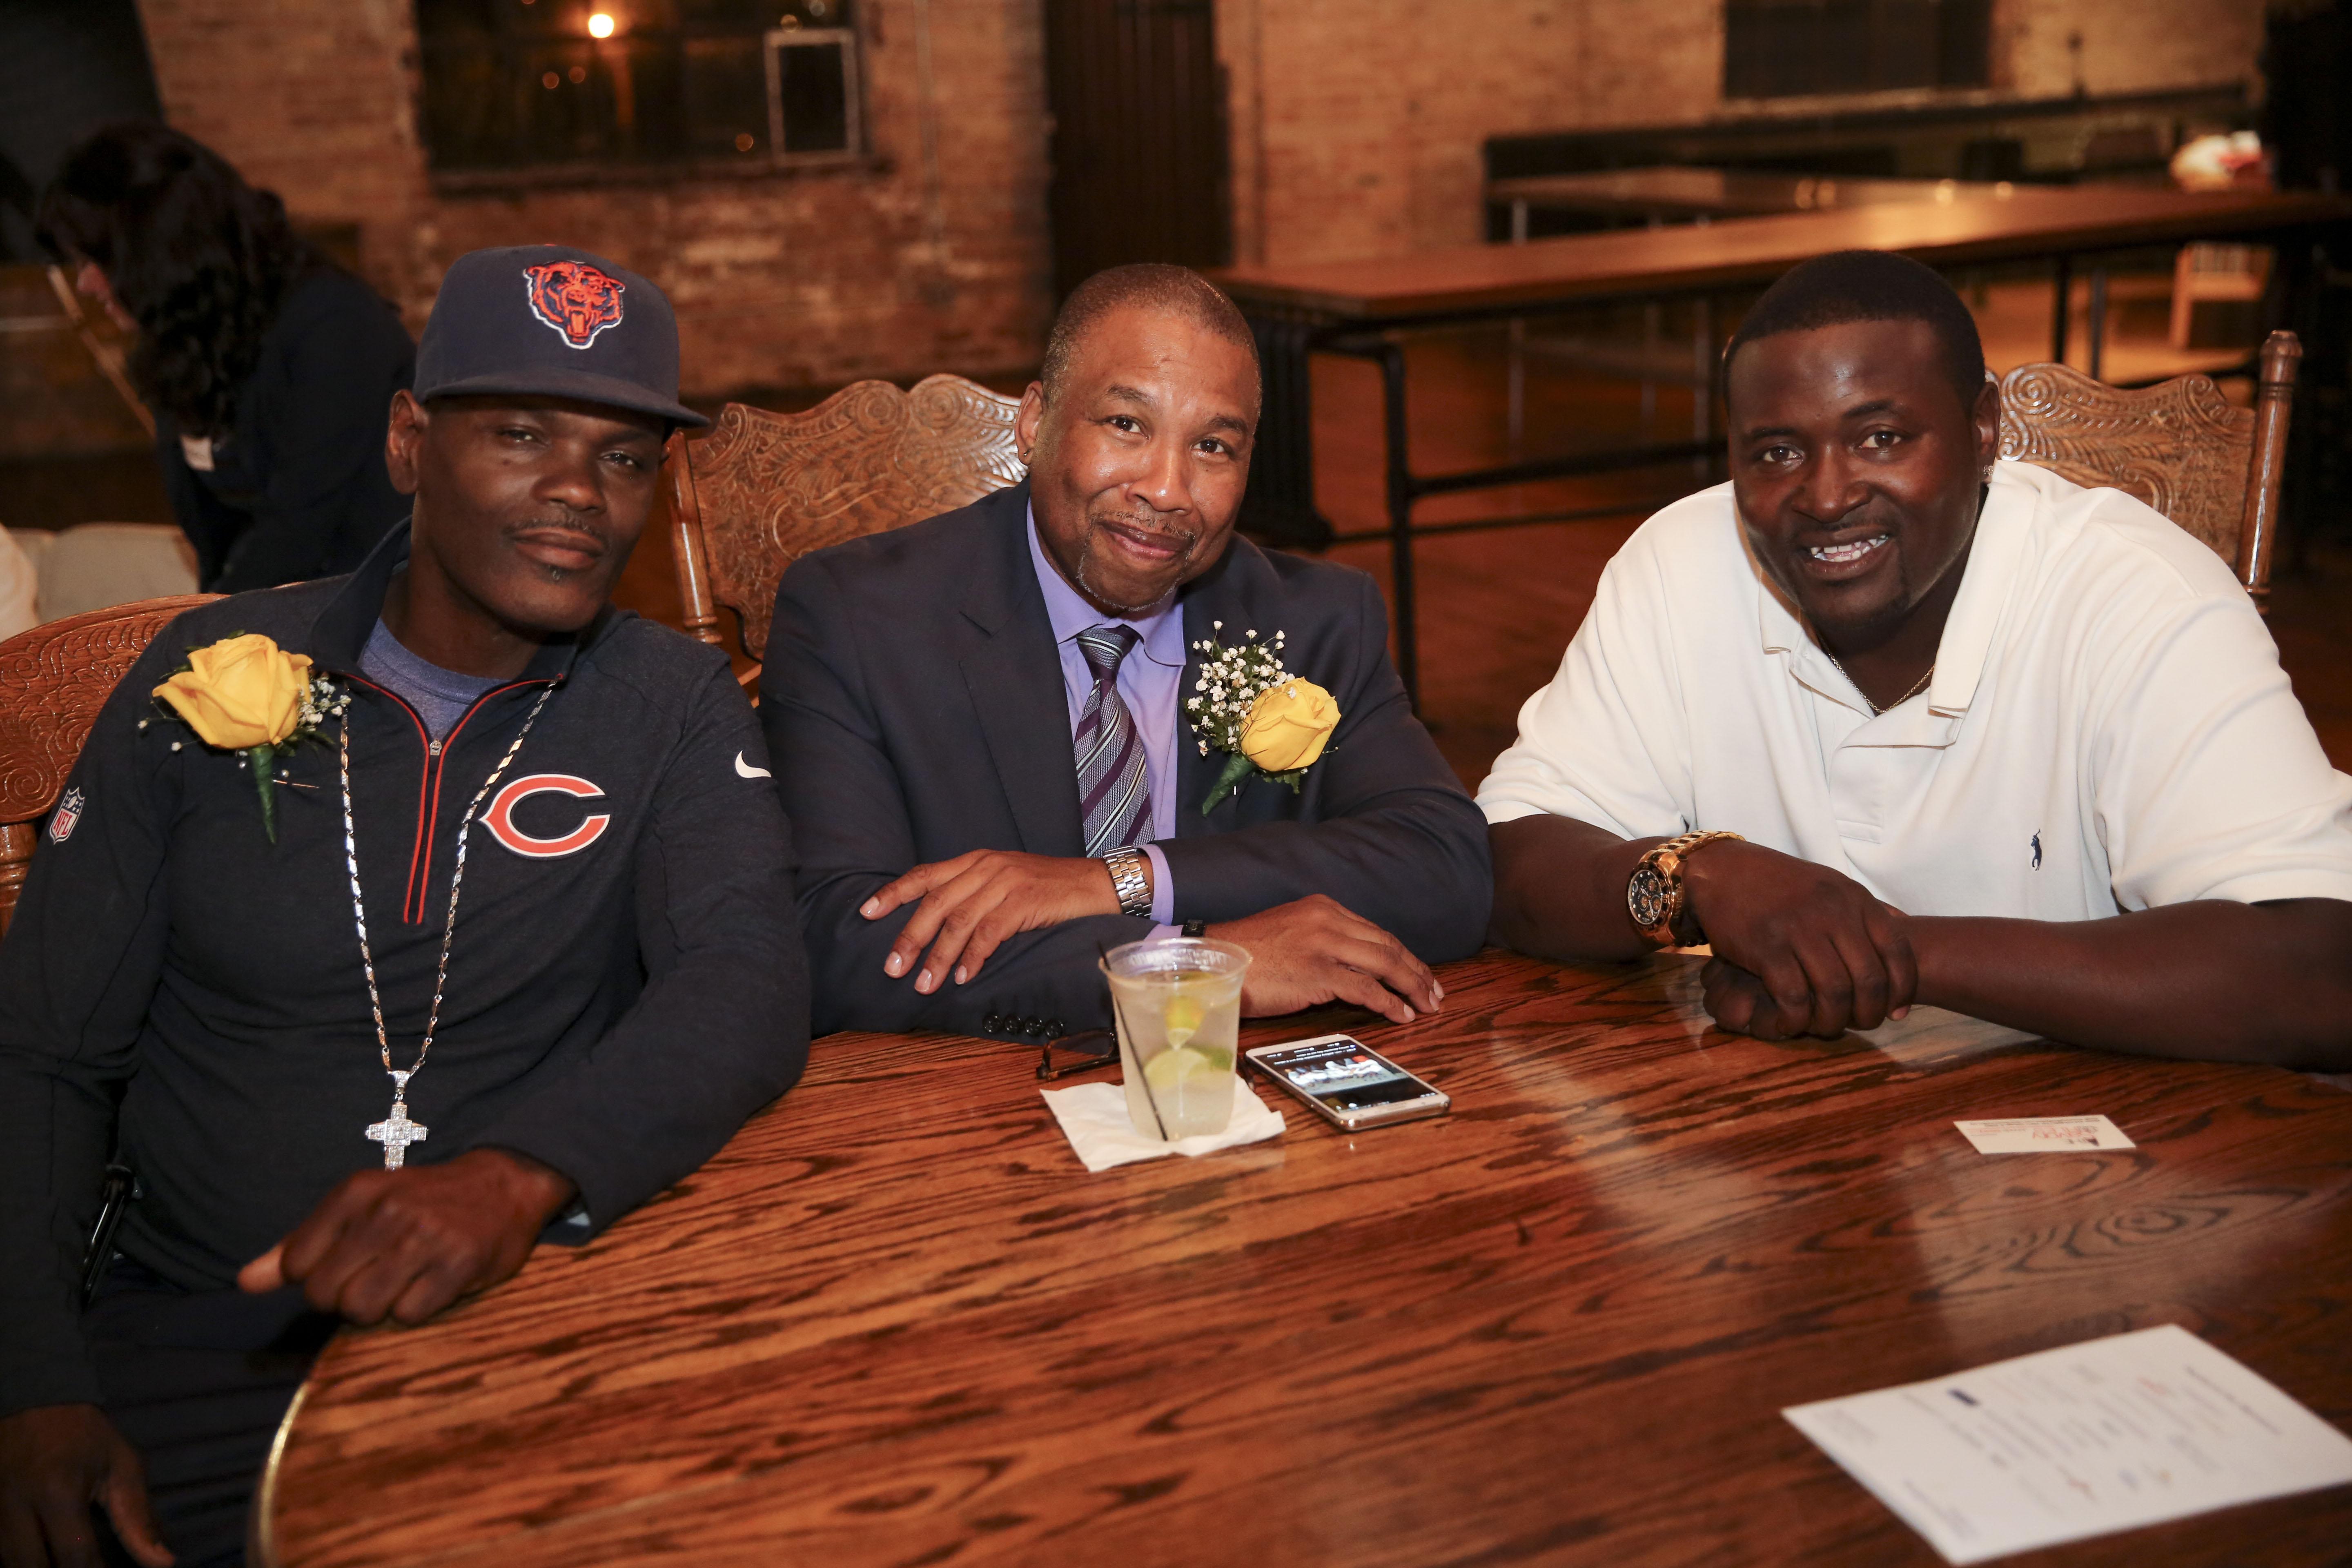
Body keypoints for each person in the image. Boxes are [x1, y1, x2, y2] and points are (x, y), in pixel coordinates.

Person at [0, 245, 808, 1568]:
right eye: (522, 434)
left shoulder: (667, 699)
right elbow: (40, 1051)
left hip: (526, 1310)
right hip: (208, 1332)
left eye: (621, 458)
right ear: (407, 443)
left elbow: (746, 982)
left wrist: (514, 1178)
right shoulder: (211, 675)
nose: (575, 497)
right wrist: (33, 1382)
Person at [1481, 249, 2352, 1069]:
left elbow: (2318, 968)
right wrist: (1697, 877)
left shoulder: (2137, 594)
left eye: (1882, 438)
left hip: (2097, 1173)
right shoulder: (1678, 563)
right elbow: (1507, 862)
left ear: (1982, 429)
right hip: (1782, 1142)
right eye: (1778, 452)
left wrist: (1868, 948)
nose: (1826, 495)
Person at [765, 263, 1490, 1039]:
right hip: (978, 1108)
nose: (1169, 489)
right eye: (1126, 426)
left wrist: (1125, 883)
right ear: (1036, 422)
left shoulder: (1314, 619)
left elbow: (1446, 867)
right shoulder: (859, 618)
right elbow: (835, 939)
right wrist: (1194, 967)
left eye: (1213, 445)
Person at [35, 122, 415, 593]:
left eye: (98, 261)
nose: (85, 284)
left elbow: (300, 529)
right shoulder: (182, 345)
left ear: (160, 248)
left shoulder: (333, 321)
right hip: (278, 619)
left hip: (382, 620)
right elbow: (218, 541)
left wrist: (207, 637)